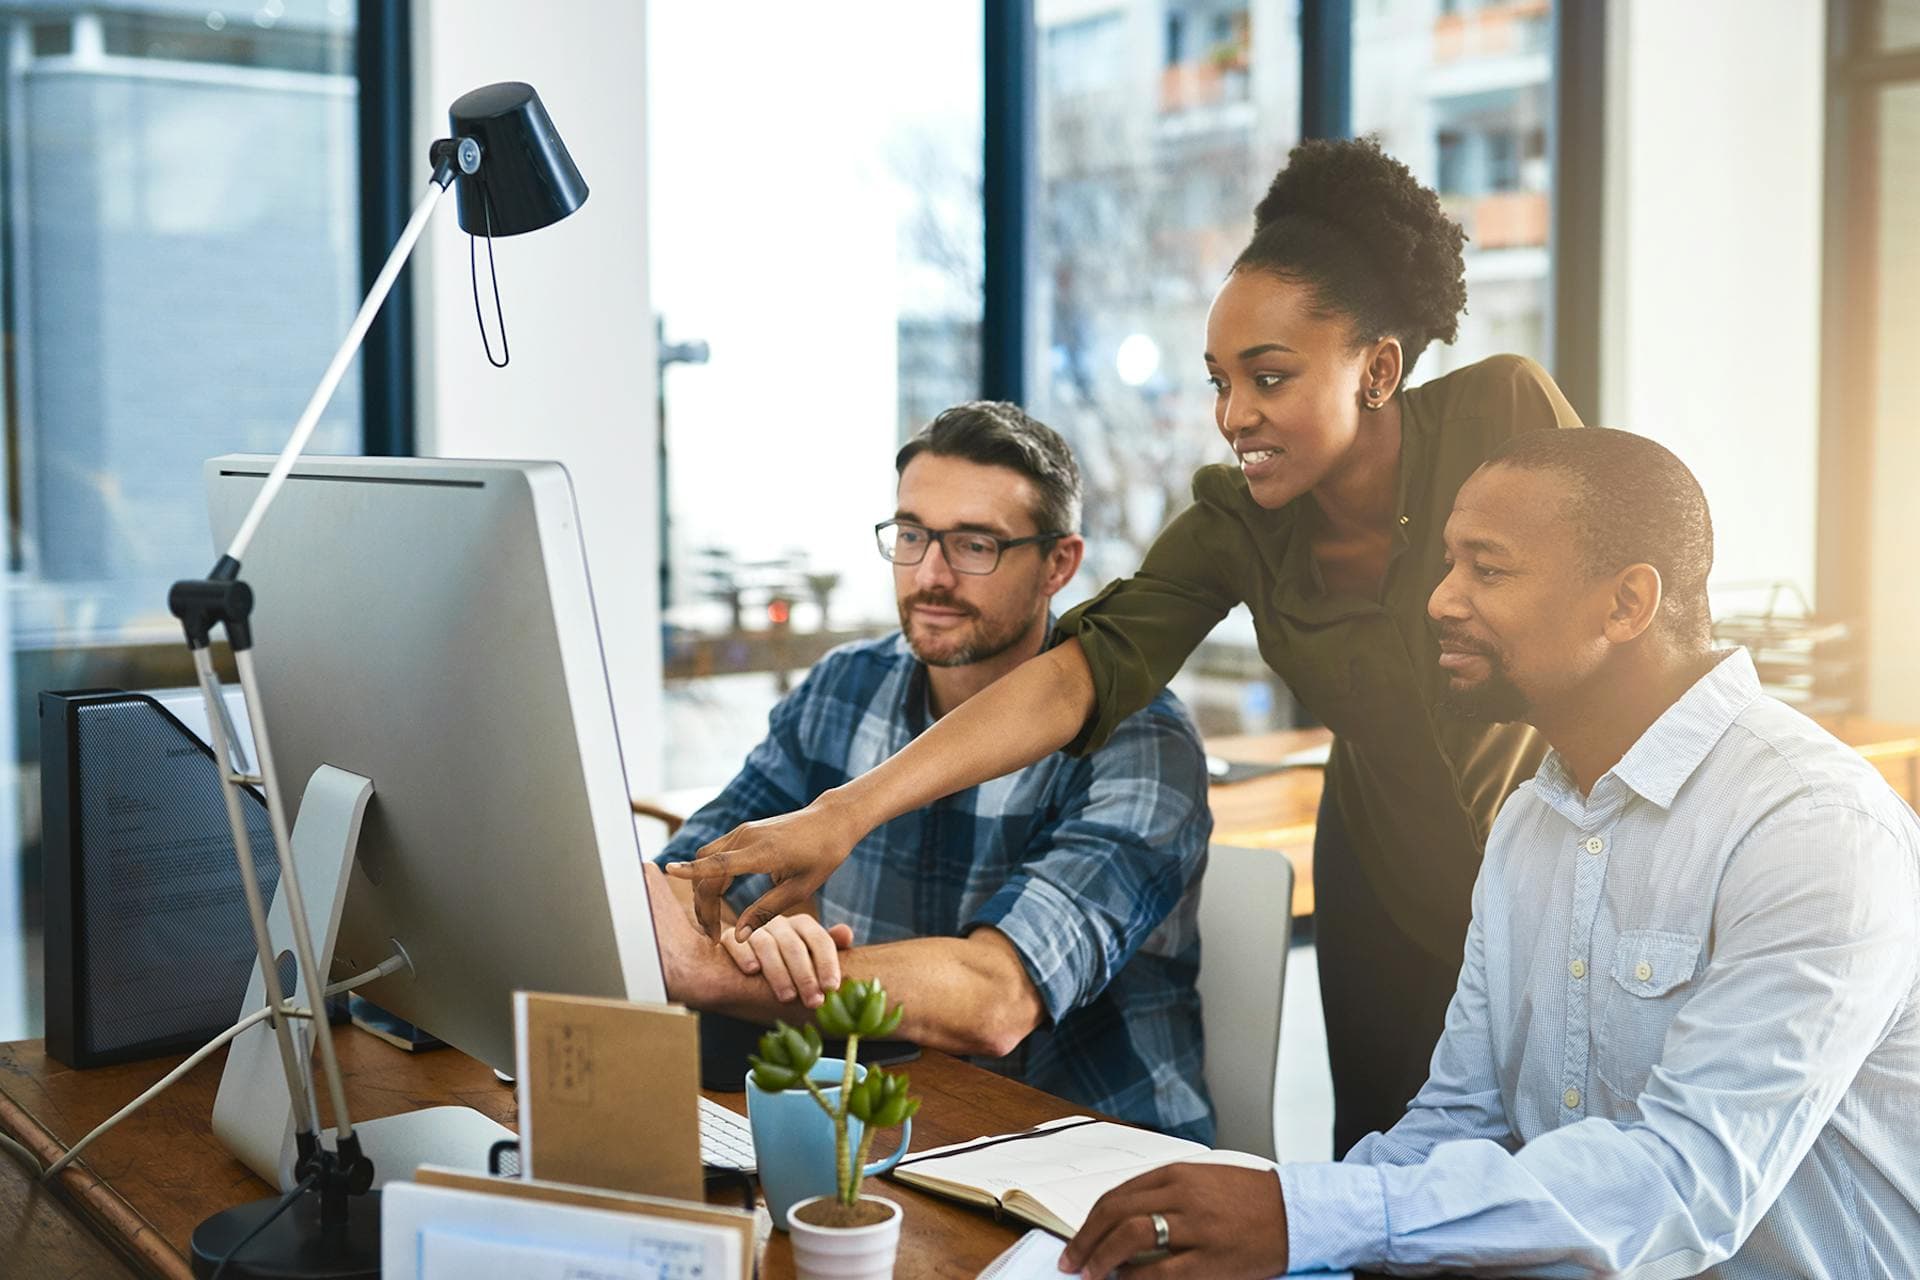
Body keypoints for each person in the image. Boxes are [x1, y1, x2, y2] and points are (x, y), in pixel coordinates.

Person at [670, 136, 1584, 1150]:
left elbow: (1616, 607)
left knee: (1581, 1148)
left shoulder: (1501, 413)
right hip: (1385, 865)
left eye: (1269, 377)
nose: (1234, 415)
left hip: (1561, 848)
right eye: (1220, 381)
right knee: (1394, 1156)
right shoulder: (1237, 522)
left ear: (1377, 368)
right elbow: (1079, 676)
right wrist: (843, 814)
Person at [1060, 428, 1920, 1279]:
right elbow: (1458, 1122)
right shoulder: (1530, 823)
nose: (1440, 599)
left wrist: (1307, 1217)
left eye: (1489, 569)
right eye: (1447, 563)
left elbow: (1688, 1182)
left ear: (1626, 605)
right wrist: (1293, 1226)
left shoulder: (1814, 828)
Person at [648, 402, 1216, 1141]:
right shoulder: (847, 686)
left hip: (1090, 1152)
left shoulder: (1140, 739)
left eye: (974, 545)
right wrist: (760, 946)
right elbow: (688, 884)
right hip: (891, 1127)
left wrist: (722, 972)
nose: (930, 575)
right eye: (912, 535)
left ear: (1059, 564)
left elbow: (996, 1001)